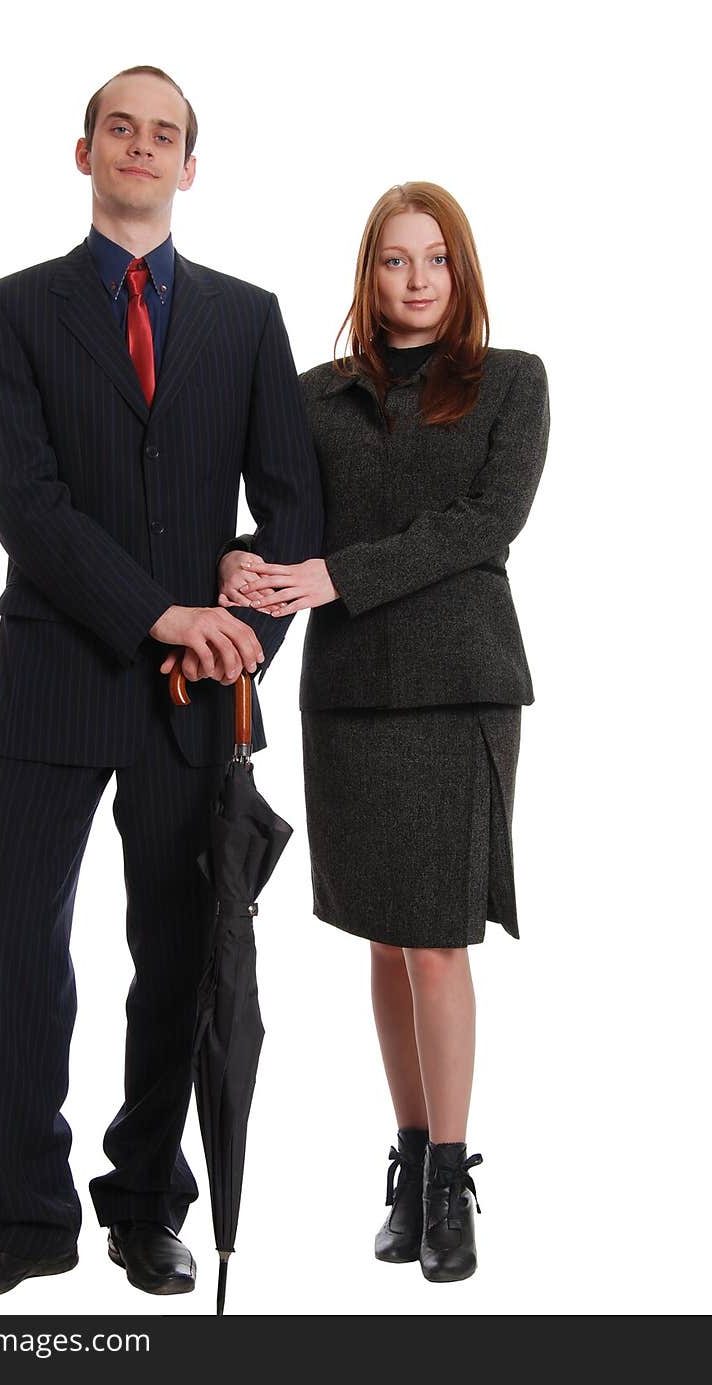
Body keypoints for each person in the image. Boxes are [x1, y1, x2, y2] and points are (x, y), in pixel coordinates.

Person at [0, 65, 323, 1305]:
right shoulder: (13, 311)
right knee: (15, 943)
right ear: (83, 150)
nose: (141, 147)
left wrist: (243, 637)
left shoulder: (249, 319)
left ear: (189, 168)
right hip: (53, 670)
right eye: (121, 129)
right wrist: (163, 612)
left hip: (195, 696)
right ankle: (29, 1214)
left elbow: (293, 507)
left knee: (180, 949)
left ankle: (147, 1203)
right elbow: (27, 507)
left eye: (165, 136)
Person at [218, 182, 550, 1284]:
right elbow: (284, 526)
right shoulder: (316, 399)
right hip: (352, 695)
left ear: (461, 274)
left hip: (457, 690)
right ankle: (407, 1163)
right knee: (381, 933)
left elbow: (483, 524)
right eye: (394, 261)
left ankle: (450, 1179)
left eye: (435, 260)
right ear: (367, 274)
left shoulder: (510, 384)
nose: (414, 281)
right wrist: (236, 560)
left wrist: (337, 575)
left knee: (440, 938)